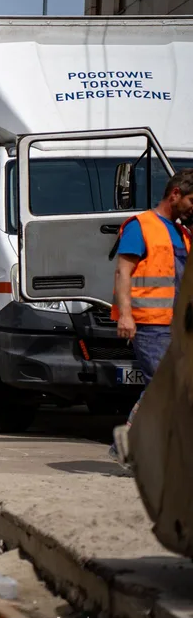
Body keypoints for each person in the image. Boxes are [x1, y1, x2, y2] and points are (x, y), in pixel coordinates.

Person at [110, 168, 193, 464]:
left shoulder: (183, 233)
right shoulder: (141, 226)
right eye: (192, 200)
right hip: (149, 324)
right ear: (175, 194)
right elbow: (123, 272)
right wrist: (126, 316)